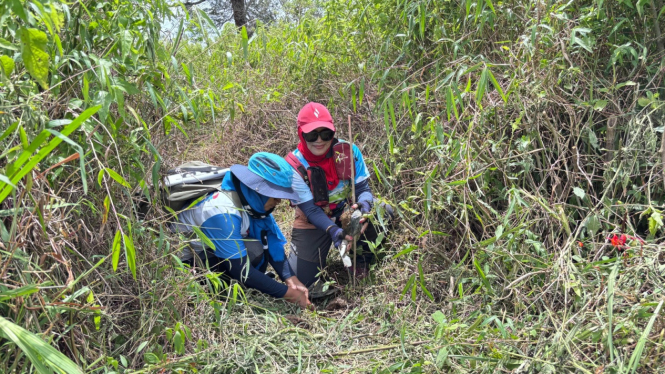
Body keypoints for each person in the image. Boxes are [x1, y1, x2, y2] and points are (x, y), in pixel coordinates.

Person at [170, 152, 312, 309]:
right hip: (190, 264)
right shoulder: (221, 212)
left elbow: (271, 241)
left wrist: (291, 279)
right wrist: (287, 293)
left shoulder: (251, 201)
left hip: (212, 253)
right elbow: (241, 269)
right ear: (259, 190)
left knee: (256, 249)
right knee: (248, 259)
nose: (278, 201)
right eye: (275, 195)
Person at [285, 102, 392, 288]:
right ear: (300, 134)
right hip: (313, 221)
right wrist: (334, 231)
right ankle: (323, 252)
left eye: (325, 133)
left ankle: (360, 258)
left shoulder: (348, 151)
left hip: (346, 213)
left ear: (333, 132)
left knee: (384, 210)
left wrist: (364, 207)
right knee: (303, 280)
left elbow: (362, 190)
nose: (319, 140)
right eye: (312, 134)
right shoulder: (293, 165)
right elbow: (310, 209)